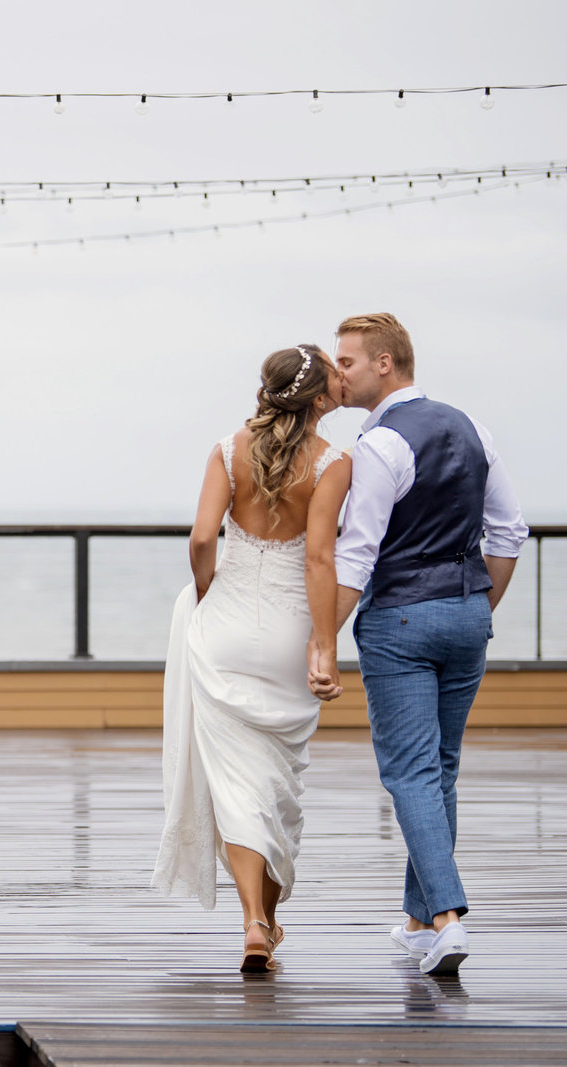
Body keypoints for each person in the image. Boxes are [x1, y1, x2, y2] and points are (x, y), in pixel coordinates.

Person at [309, 312, 527, 977]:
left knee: (409, 771)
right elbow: (510, 530)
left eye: (346, 361)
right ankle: (415, 920)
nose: (336, 371)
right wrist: (473, 605)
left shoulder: (379, 445)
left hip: (400, 620)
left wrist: (323, 642)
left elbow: (356, 553)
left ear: (384, 363)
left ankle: (446, 917)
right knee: (441, 768)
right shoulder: (473, 428)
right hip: (467, 615)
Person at [153, 344, 352, 974]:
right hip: (291, 629)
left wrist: (210, 592)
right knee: (276, 783)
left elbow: (202, 538)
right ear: (320, 399)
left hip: (226, 627)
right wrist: (325, 646)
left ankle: (254, 922)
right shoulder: (333, 463)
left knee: (237, 784)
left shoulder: (226, 450)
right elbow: (321, 560)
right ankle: (264, 917)